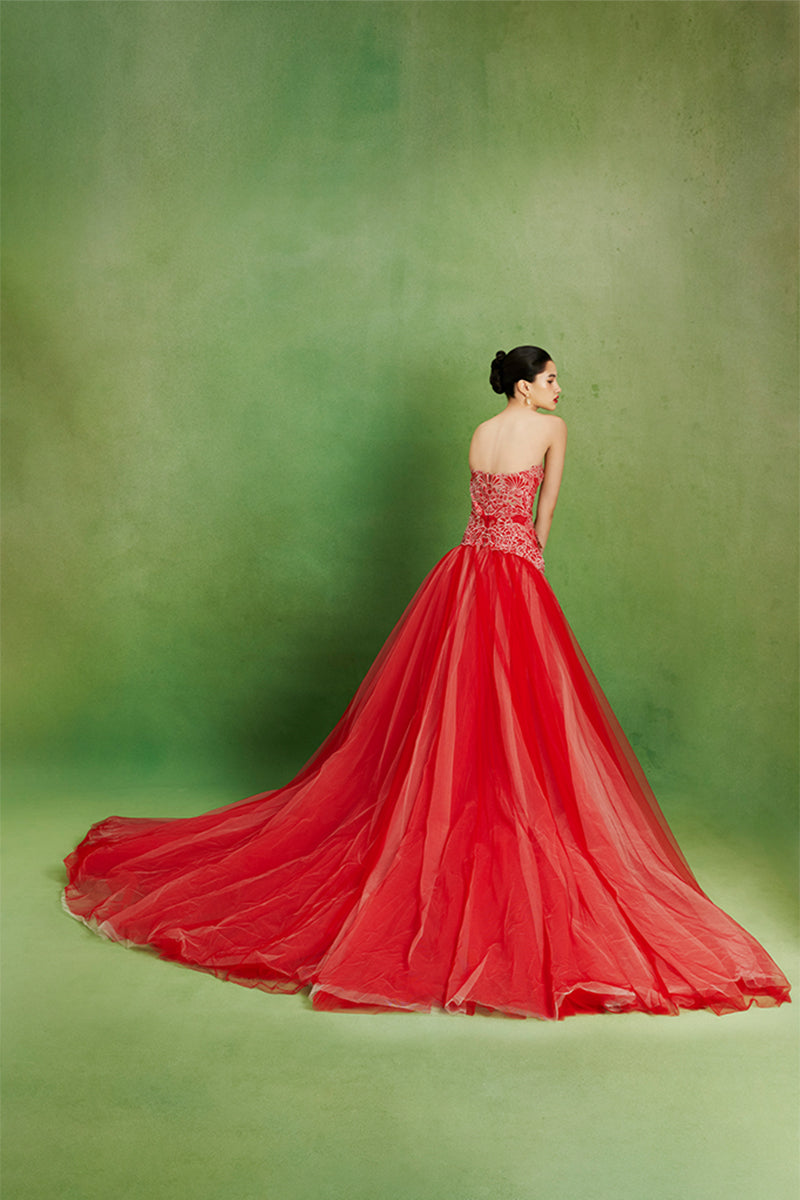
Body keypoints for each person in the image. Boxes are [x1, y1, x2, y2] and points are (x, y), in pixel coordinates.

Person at [63, 346, 790, 1018]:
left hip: (465, 573)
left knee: (456, 703)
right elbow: (542, 512)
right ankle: (501, 812)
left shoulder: (478, 433)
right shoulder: (552, 429)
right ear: (526, 386)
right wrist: (533, 561)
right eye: (553, 378)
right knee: (523, 705)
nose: (561, 388)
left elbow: (480, 509)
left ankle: (459, 805)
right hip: (512, 576)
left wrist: (498, 549)